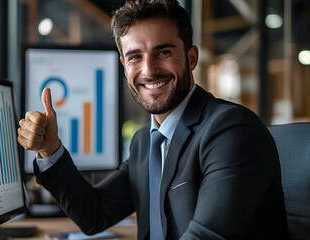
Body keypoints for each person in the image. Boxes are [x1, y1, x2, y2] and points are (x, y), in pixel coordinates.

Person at [17, 0, 290, 239]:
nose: (149, 70)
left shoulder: (230, 130)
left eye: (163, 52)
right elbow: (94, 215)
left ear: (191, 57)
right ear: (125, 67)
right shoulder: (144, 143)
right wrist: (49, 149)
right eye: (135, 56)